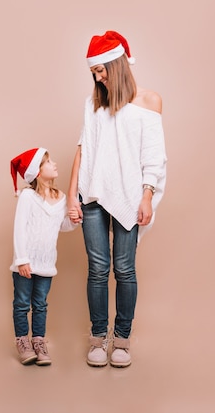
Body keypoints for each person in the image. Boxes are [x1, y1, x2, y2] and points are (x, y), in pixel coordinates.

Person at [67, 30, 167, 368]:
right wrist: (71, 196)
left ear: (117, 64)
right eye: (94, 73)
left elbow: (154, 156)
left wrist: (147, 195)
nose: (98, 77)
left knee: (124, 269)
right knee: (98, 269)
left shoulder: (149, 101)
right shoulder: (93, 103)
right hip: (93, 193)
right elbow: (83, 150)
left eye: (101, 70)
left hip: (129, 195)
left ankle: (122, 340)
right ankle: (98, 338)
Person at [9, 147, 79, 366]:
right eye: (48, 162)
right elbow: (19, 228)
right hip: (26, 263)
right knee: (22, 304)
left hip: (47, 263)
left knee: (40, 304)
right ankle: (23, 342)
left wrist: (75, 219)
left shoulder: (60, 198)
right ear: (37, 172)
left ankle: (38, 341)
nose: (54, 164)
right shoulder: (28, 197)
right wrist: (22, 259)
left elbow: (63, 226)